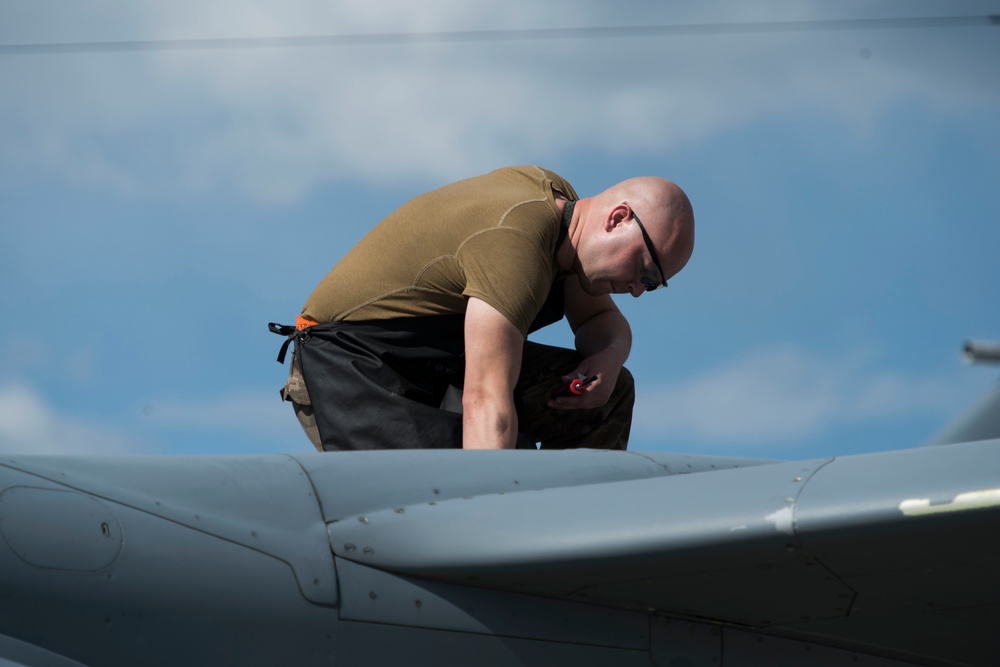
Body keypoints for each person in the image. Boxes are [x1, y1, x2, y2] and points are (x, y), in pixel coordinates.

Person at [270, 165, 694, 451]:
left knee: (611, 393)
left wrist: (610, 355)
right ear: (617, 218)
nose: (639, 290)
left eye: (653, 287)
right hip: (350, 365)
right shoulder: (516, 242)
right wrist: (494, 518)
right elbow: (486, 400)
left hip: (435, 359)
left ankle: (576, 539)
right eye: (644, 271)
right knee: (458, 490)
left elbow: (599, 320)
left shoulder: (565, 219)